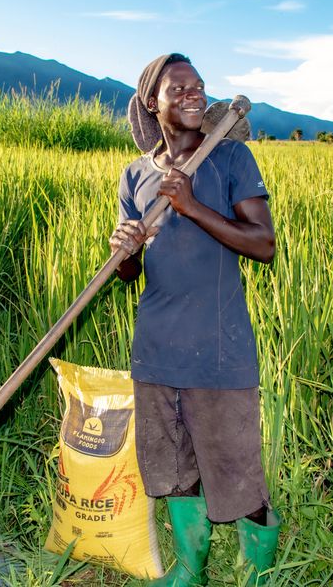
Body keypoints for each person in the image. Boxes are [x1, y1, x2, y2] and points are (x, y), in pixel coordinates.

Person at [109, 54, 281, 585]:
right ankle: (190, 570)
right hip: (157, 348)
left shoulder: (230, 158)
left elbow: (264, 245)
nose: (192, 93)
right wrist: (126, 251)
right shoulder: (136, 174)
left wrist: (192, 206)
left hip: (220, 349)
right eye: (177, 87)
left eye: (199, 85)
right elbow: (130, 274)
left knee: (238, 475)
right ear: (151, 103)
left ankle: (256, 576)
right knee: (174, 470)